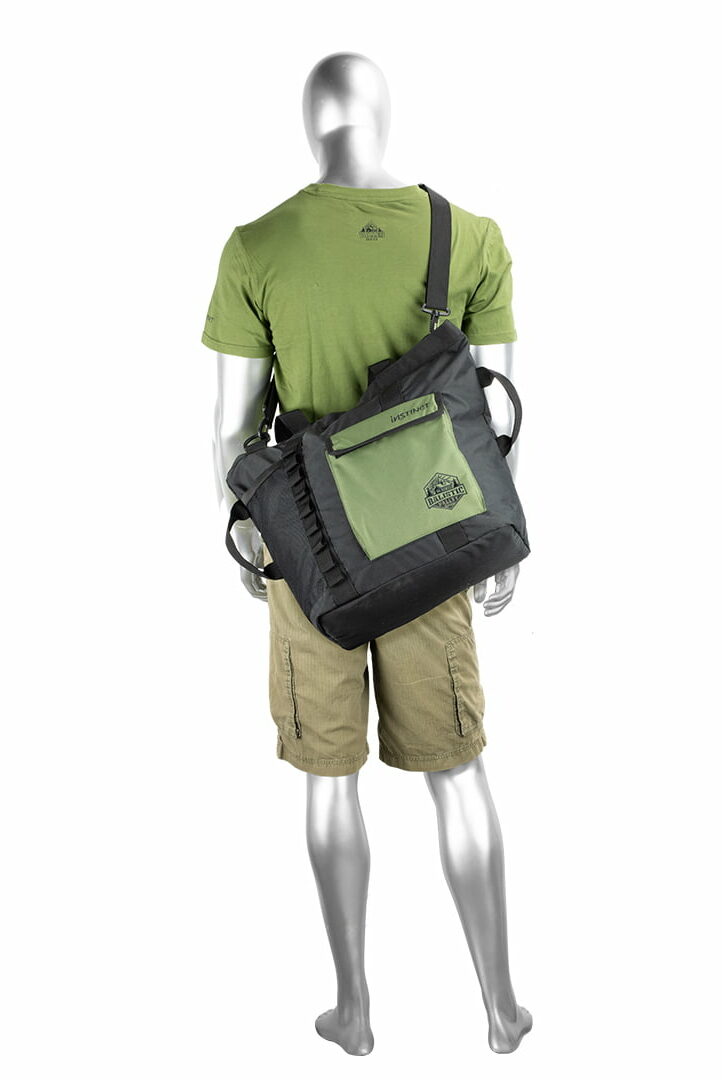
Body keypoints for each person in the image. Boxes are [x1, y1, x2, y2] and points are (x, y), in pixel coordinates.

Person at [201, 51, 532, 1056]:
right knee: (458, 772)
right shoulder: (471, 238)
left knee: (327, 778)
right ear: (383, 115)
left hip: (310, 560)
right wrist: (504, 541)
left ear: (314, 123)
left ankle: (354, 1012)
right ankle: (500, 1009)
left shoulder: (257, 246)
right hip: (433, 546)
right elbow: (493, 418)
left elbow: (230, 431)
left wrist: (242, 536)